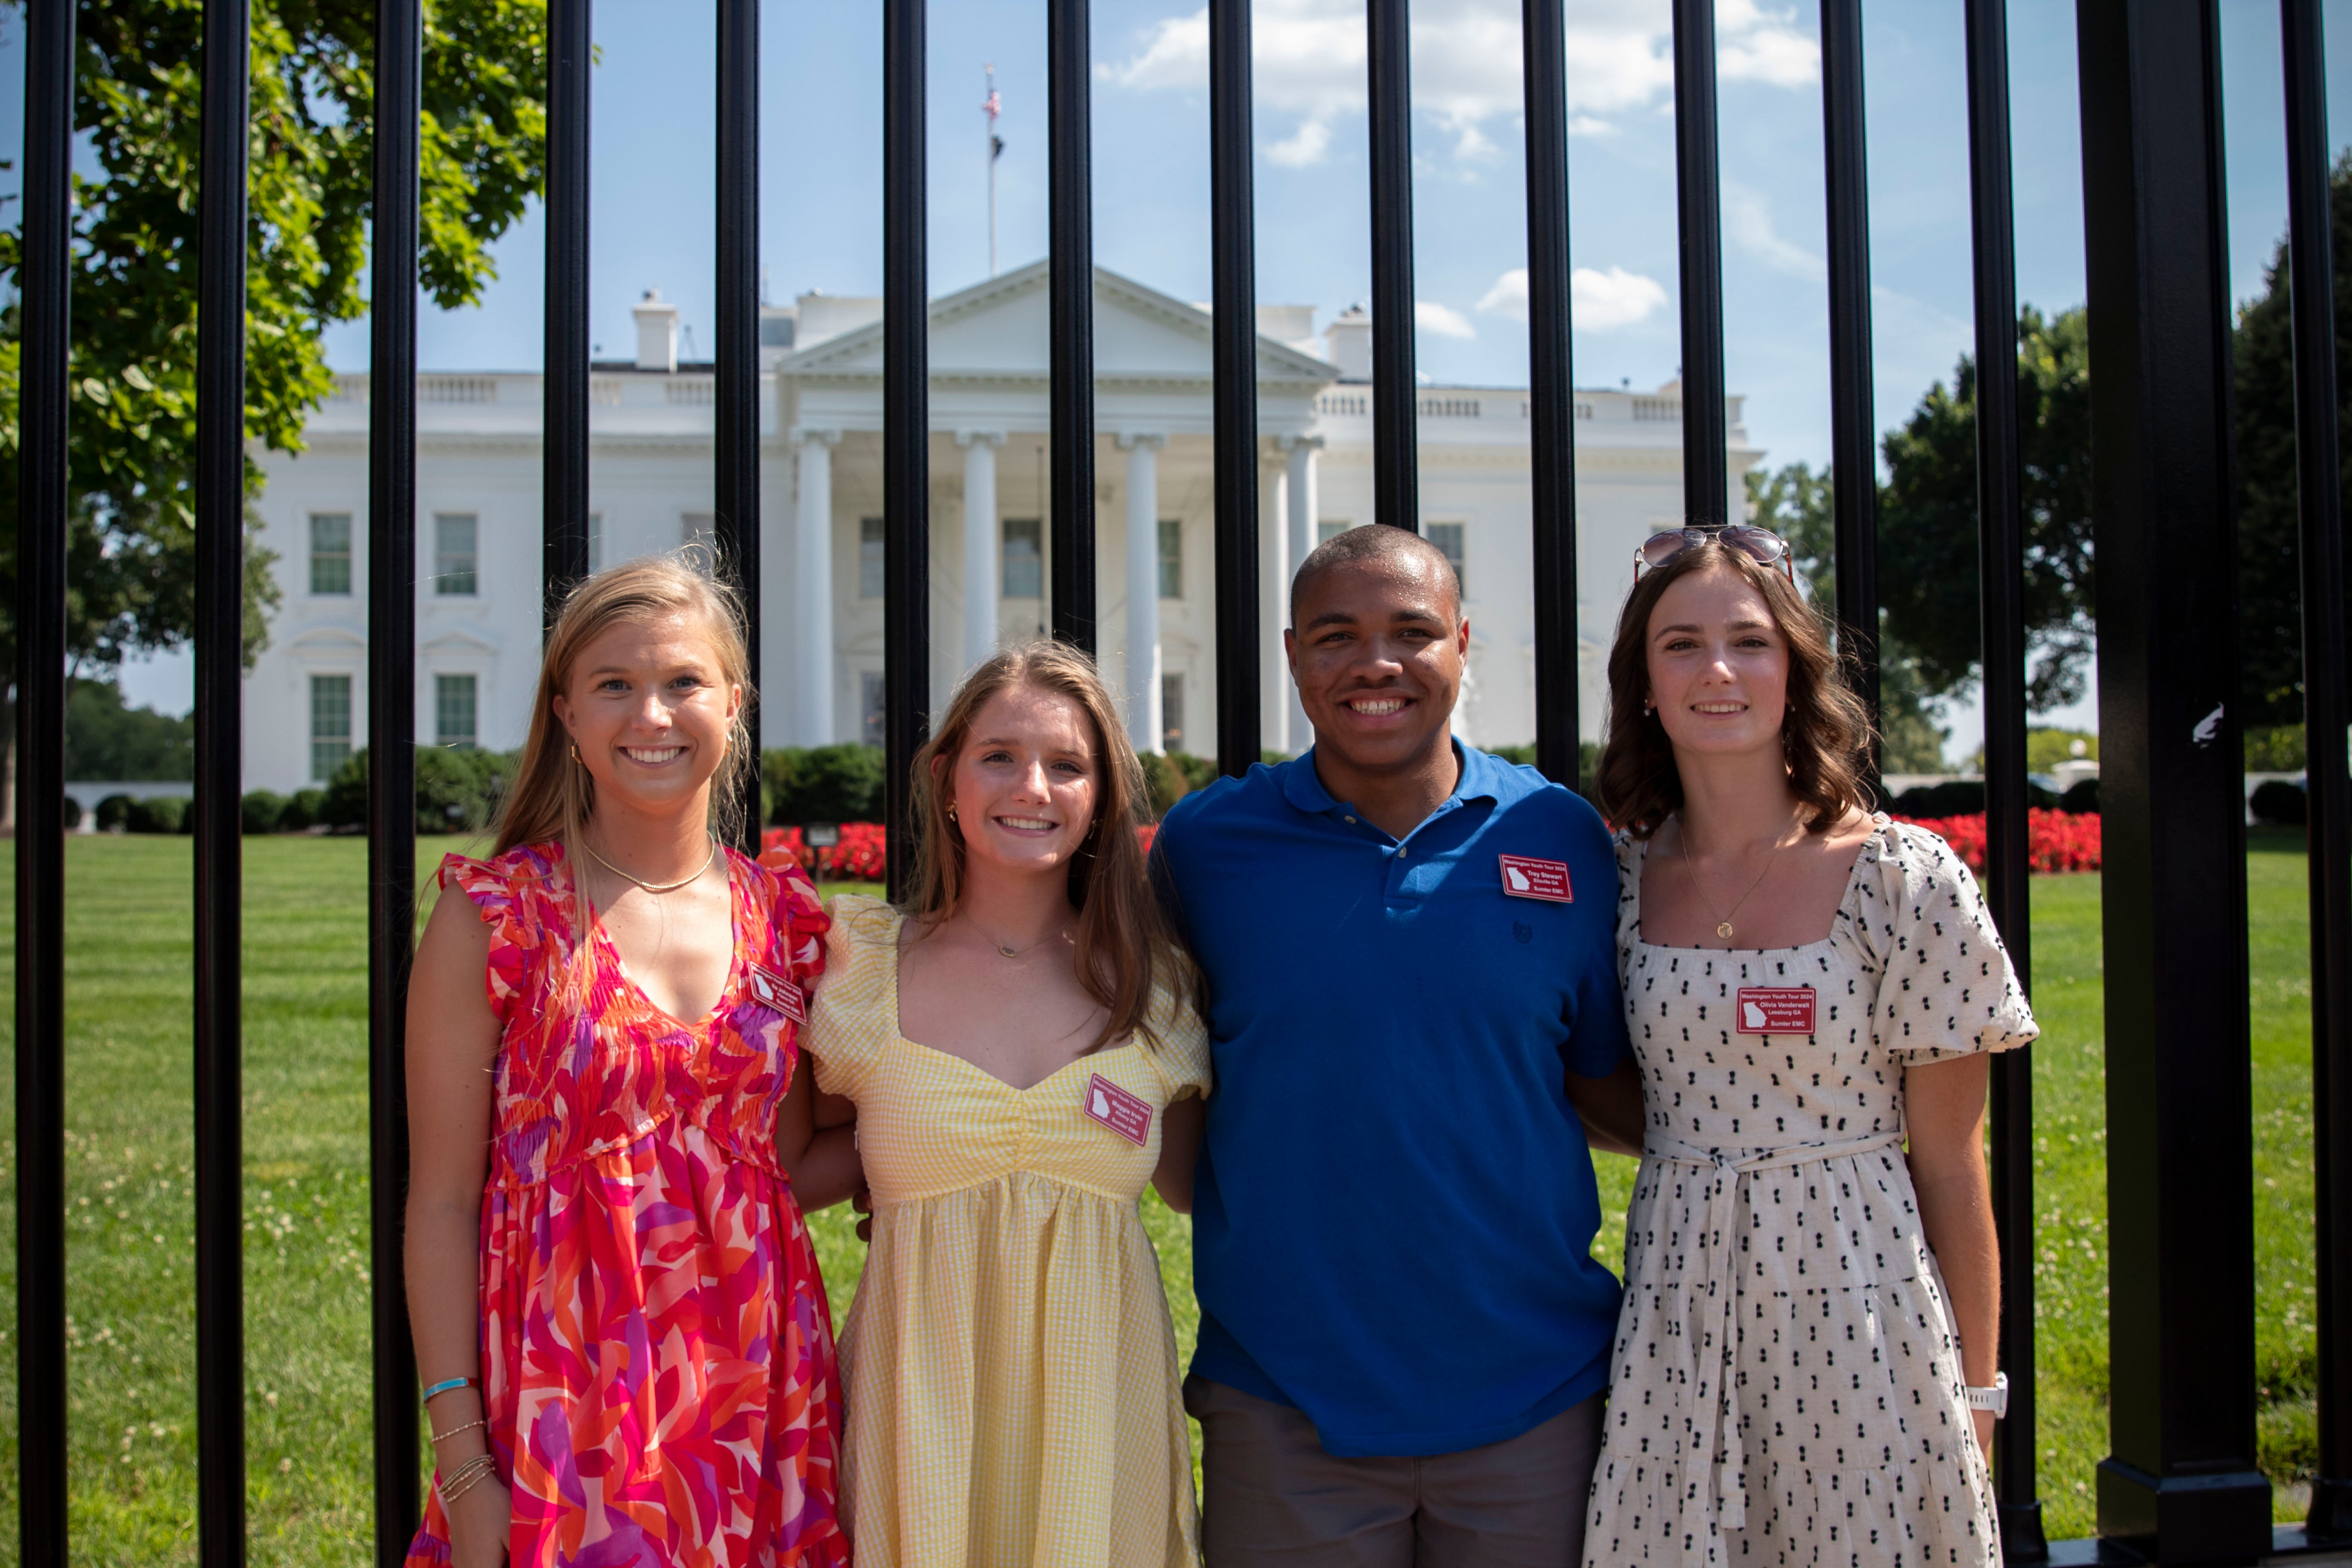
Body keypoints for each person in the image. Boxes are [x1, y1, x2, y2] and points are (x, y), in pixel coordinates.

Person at [1151, 524, 1644, 1568]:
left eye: (1412, 632)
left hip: (1535, 1391)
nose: (1376, 662)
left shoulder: (1560, 836)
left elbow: (1611, 1088)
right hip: (1284, 1397)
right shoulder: (1205, 846)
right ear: (1292, 656)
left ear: (1463, 644)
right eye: (1337, 636)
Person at [1583, 526, 2032, 1568]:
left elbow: (1953, 1164)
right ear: (1645, 683)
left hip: (1862, 1306)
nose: (1720, 672)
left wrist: (1977, 1393)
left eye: (1750, 642)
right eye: (1682, 645)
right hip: (1678, 1307)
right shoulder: (1614, 879)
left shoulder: (1903, 878)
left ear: (1796, 669)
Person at [402, 557, 851, 1568]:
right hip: (566, 1406)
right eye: (615, 685)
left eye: (684, 682)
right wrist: (465, 1463)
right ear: (566, 712)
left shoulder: (785, 921)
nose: (653, 713)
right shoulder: (496, 918)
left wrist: (944, 1134)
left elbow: (778, 1169)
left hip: (759, 1404)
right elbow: (440, 1205)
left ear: (734, 704)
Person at [796, 641, 1210, 1568]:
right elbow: (785, 1173)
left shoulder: (1159, 990)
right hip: (922, 1414)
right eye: (1000, 756)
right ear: (947, 778)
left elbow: (1196, 1186)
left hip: (1099, 1414)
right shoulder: (861, 968)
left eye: (1067, 765)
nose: (1033, 785)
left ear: (1100, 795)